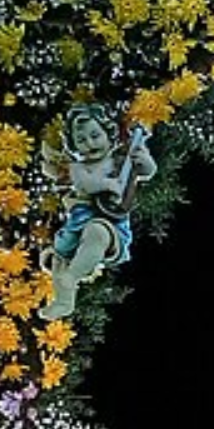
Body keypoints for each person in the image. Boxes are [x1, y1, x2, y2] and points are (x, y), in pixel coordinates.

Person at [38, 104, 154, 321]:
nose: (90, 144)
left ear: (109, 135)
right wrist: (107, 184)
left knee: (97, 233)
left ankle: (72, 277)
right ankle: (63, 301)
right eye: (81, 140)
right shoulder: (78, 168)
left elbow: (146, 172)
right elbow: (86, 184)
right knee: (59, 255)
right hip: (79, 219)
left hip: (111, 223)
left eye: (95, 135)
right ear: (73, 145)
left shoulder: (120, 161)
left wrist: (144, 160)